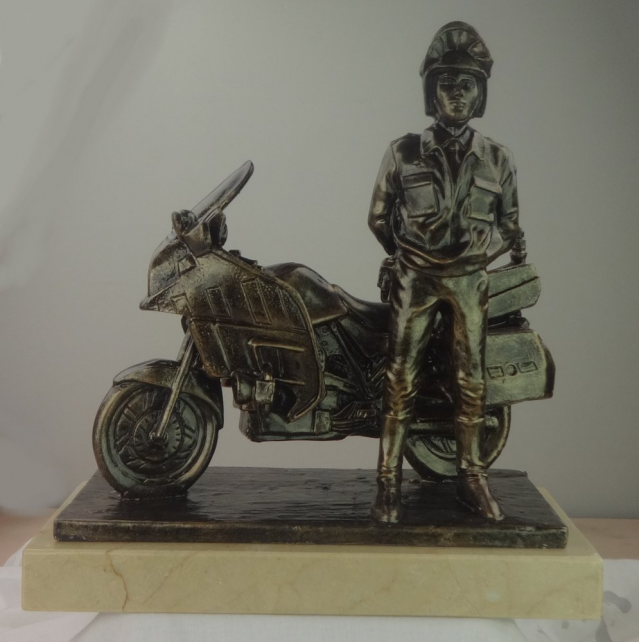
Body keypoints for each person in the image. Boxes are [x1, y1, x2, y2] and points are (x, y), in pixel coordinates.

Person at [368, 22, 520, 523]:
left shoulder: (497, 159)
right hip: (416, 280)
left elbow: (510, 228)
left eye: (467, 84)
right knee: (399, 379)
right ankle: (387, 482)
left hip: (469, 283)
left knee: (472, 381)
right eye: (446, 83)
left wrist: (478, 254)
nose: (457, 93)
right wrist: (404, 257)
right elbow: (378, 217)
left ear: (480, 94)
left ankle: (471, 478)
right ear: (431, 92)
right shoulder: (402, 152)